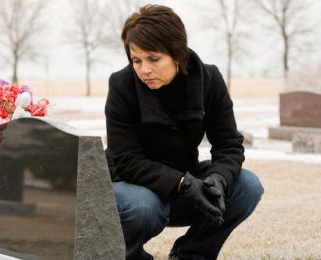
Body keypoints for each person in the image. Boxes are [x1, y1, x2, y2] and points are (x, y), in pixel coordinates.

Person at [104, 5, 264, 260]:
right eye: (136, 60)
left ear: (177, 54)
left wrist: (218, 180)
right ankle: (128, 255)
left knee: (248, 185)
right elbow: (127, 160)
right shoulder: (122, 85)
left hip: (184, 186)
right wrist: (182, 183)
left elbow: (229, 145)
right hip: (131, 187)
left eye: (153, 59)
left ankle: (191, 254)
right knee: (145, 205)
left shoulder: (209, 80)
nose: (144, 69)